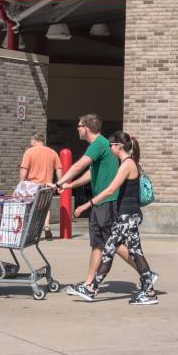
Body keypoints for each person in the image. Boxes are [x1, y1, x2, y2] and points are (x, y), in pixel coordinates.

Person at [53, 114, 141, 301]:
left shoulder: (98, 144)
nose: (76, 129)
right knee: (98, 244)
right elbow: (91, 174)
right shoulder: (101, 145)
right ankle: (88, 284)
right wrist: (70, 185)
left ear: (86, 128)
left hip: (106, 203)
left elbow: (78, 165)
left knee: (113, 243)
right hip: (102, 203)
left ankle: (146, 273)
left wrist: (58, 182)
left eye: (79, 125)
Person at [70, 132, 158, 305]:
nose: (110, 148)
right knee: (126, 251)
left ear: (118, 146)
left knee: (112, 249)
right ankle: (148, 290)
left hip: (128, 217)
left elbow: (110, 190)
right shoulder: (127, 163)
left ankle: (92, 288)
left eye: (111, 145)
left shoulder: (127, 164)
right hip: (126, 216)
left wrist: (87, 205)